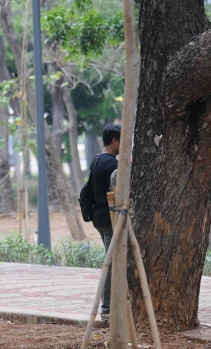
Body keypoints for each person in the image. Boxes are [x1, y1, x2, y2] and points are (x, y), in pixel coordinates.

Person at [90, 124, 121, 320]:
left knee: (112, 260)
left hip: (99, 217)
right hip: (110, 219)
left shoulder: (97, 160)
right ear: (115, 141)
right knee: (110, 262)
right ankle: (107, 308)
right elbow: (117, 194)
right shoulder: (111, 165)